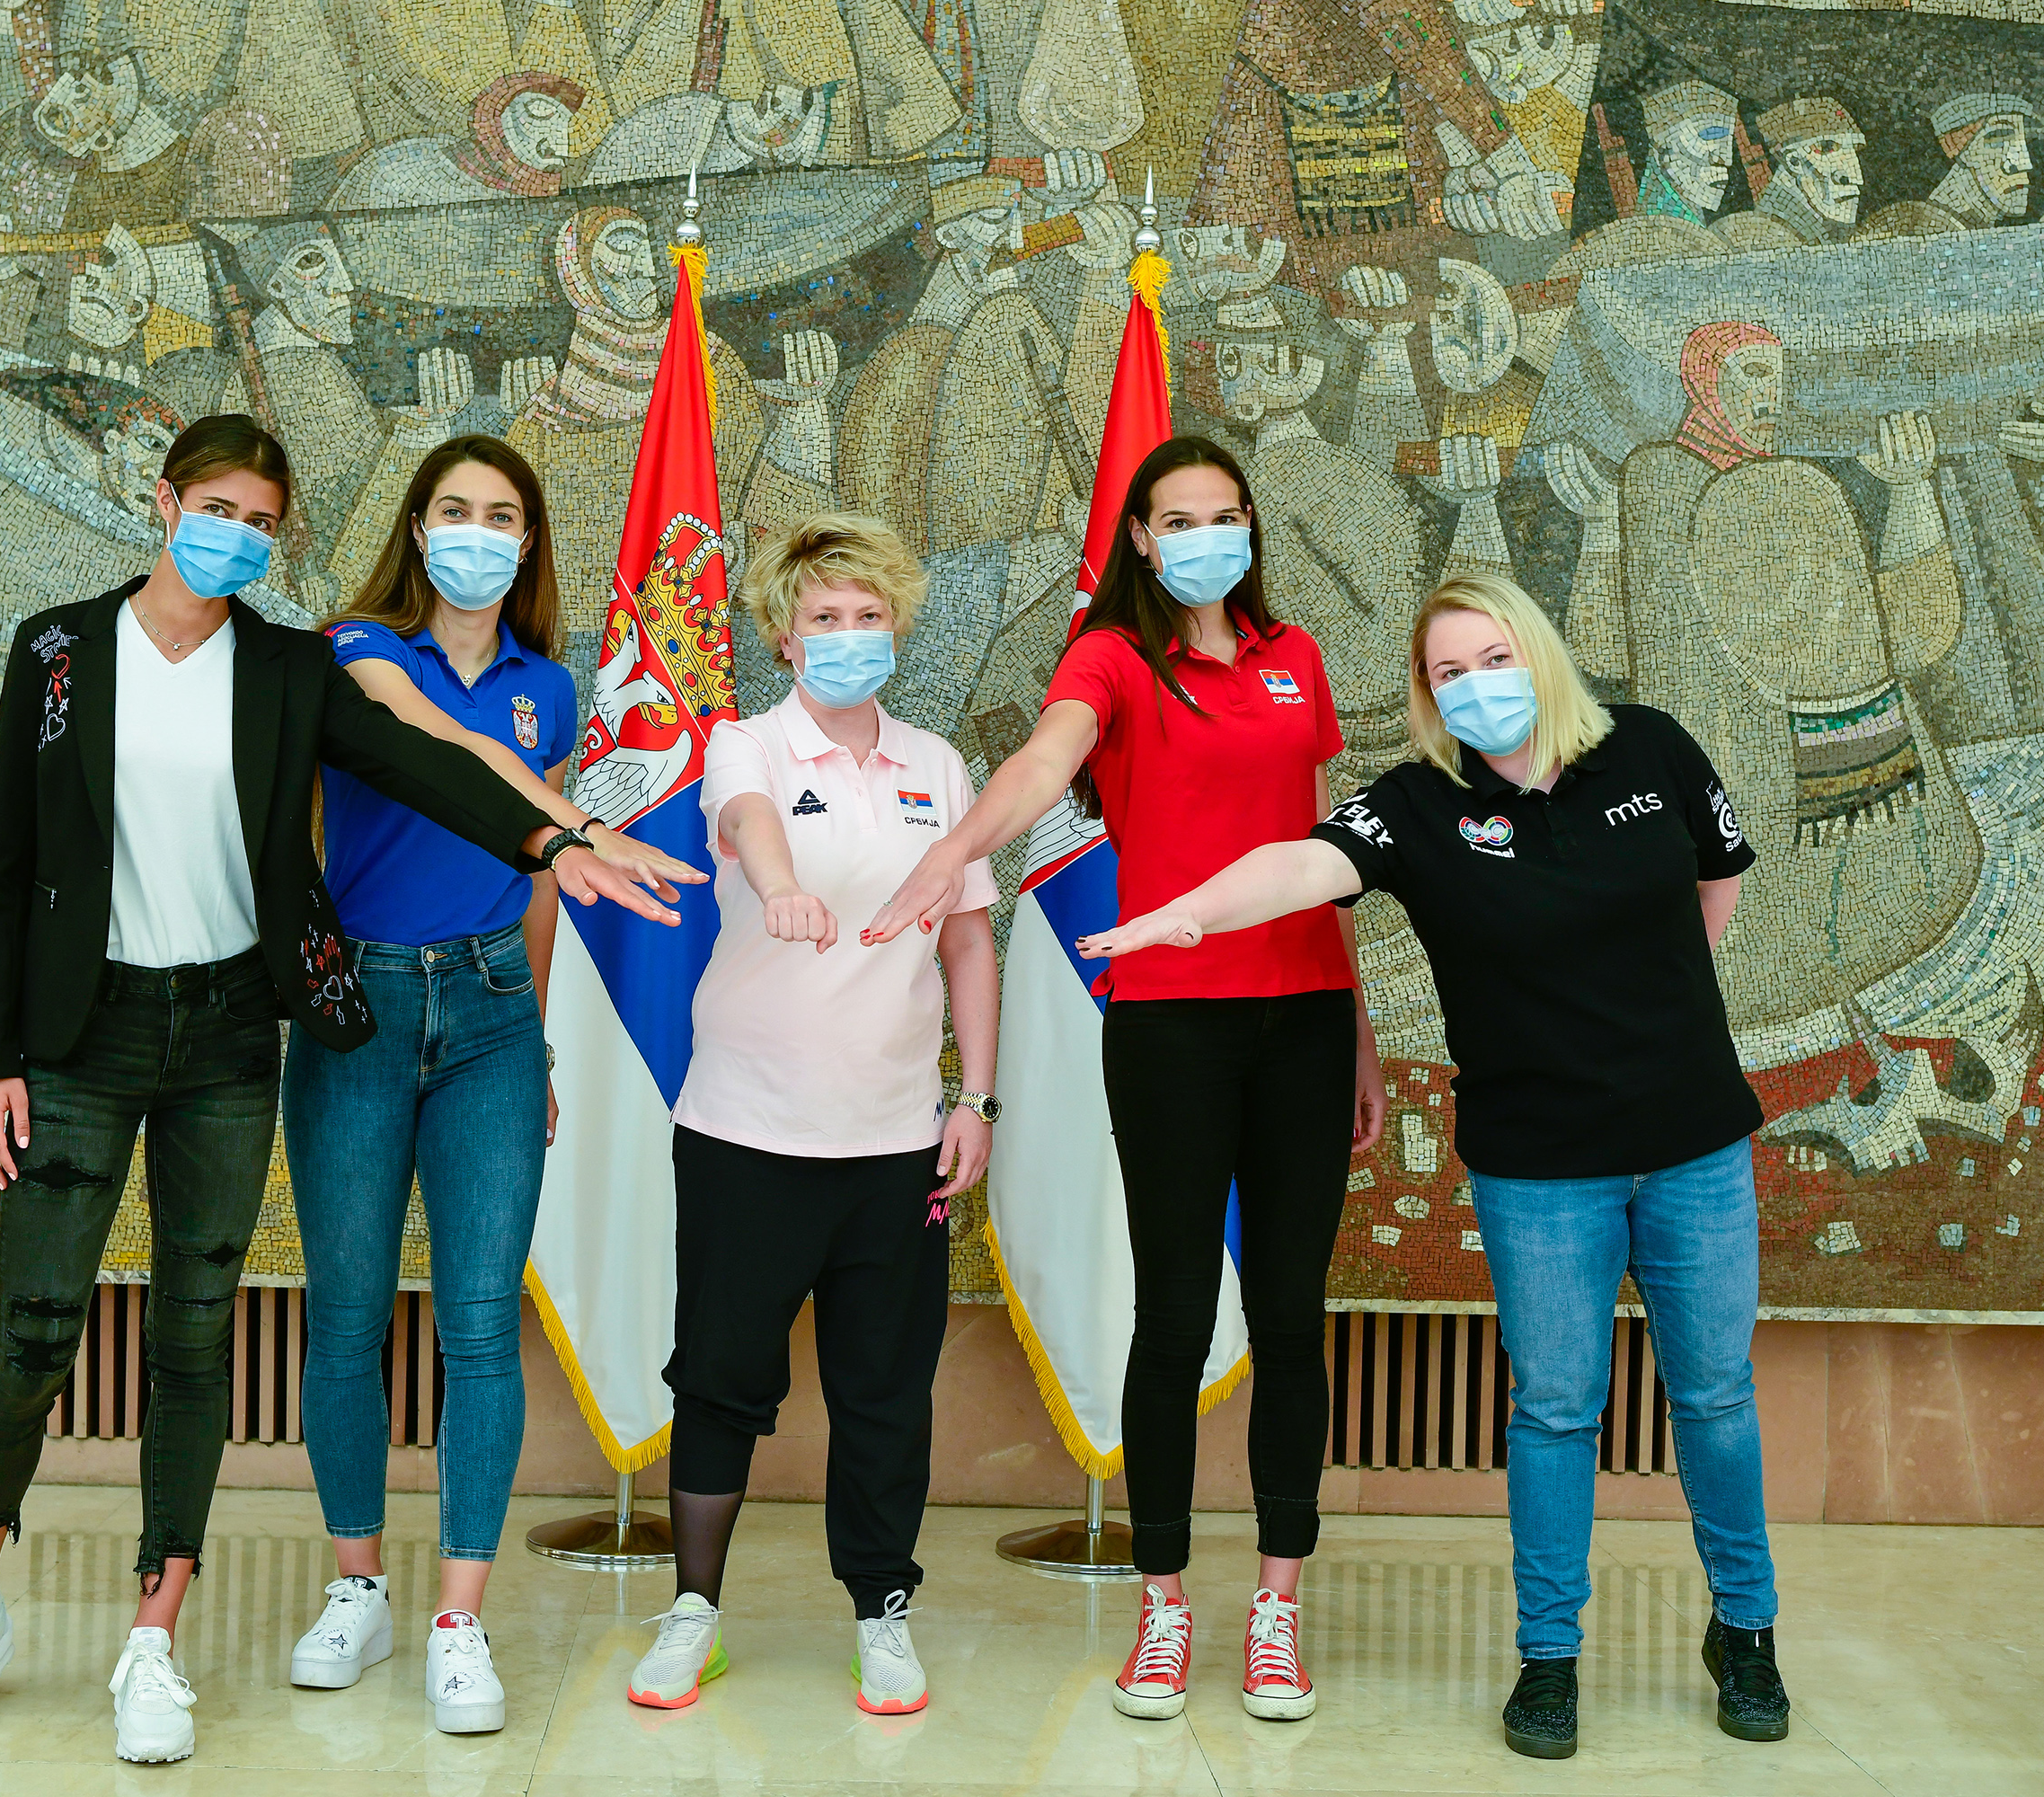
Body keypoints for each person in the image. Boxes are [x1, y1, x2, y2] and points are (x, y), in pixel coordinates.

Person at [0, 413, 679, 1765]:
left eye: (265, 522)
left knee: (195, 1340)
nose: (239, 536)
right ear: (164, 502)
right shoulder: (58, 650)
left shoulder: (284, 665)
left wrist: (558, 841)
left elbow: (421, 766)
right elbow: (7, 861)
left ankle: (156, 1638)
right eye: (219, 507)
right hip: (77, 1039)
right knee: (34, 1331)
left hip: (221, 1036)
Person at [1076, 571, 1789, 1761]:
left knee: (1714, 1393)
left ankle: (1748, 1632)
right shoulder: (1418, 803)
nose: (1475, 687)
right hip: (1539, 1169)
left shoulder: (1652, 751)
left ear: (1541, 654)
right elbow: (1301, 868)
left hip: (1692, 1147)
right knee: (1557, 1407)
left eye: (1491, 658)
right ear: (1425, 695)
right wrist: (1182, 914)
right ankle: (1548, 1658)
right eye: (1447, 673)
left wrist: (1660, 1013)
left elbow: (1719, 875)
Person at [866, 437, 1385, 1724]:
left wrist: (1364, 1029)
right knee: (1171, 1317)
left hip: (1309, 1022)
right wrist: (955, 857)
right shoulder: (1112, 659)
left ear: (1248, 527)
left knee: (1289, 1315)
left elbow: (1318, 856)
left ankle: (1277, 1606)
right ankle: (1164, 1606)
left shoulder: (1294, 659)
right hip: (1169, 1029)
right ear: (1142, 539)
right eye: (1179, 518)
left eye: (1227, 514)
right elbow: (1049, 764)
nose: (1207, 535)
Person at [281, 436, 703, 1731]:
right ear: (416, 530)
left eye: (502, 515)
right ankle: (359, 1586)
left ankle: (459, 1615)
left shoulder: (550, 686)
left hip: (490, 1020)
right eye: (454, 511)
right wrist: (574, 824)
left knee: (476, 1322)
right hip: (360, 1006)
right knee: (349, 1313)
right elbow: (443, 759)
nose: (477, 531)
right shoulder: (356, 649)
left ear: (528, 543)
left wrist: (537, 1028)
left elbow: (534, 882)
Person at [627, 514, 999, 1718]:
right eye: (824, 618)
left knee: (885, 1389)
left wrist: (974, 1098)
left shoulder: (937, 767)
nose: (847, 637)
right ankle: (693, 1610)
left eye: (868, 616)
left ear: (897, 626)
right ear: (783, 636)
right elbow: (747, 825)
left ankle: (882, 1613)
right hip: (745, 1130)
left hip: (895, 1142)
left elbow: (969, 942)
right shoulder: (746, 744)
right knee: (723, 1378)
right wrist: (779, 891)